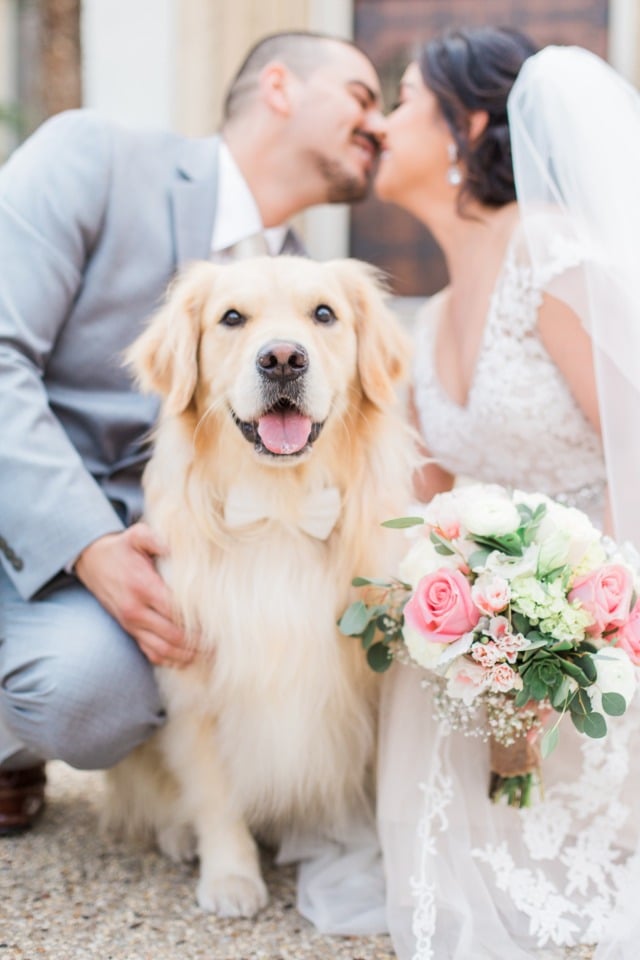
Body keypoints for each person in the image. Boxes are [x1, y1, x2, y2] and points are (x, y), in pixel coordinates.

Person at [0, 30, 386, 835]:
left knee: (134, 688)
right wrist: (86, 543)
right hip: (28, 524)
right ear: (279, 88)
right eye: (362, 96)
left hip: (157, 556)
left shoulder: (300, 282)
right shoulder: (91, 155)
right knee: (82, 690)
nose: (380, 126)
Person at [372, 25, 640, 960]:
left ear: (467, 124)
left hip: (604, 619)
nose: (379, 119)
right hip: (495, 625)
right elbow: (431, 491)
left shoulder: (555, 258)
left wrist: (564, 633)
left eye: (402, 98)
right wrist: (459, 607)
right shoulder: (434, 307)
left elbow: (637, 453)